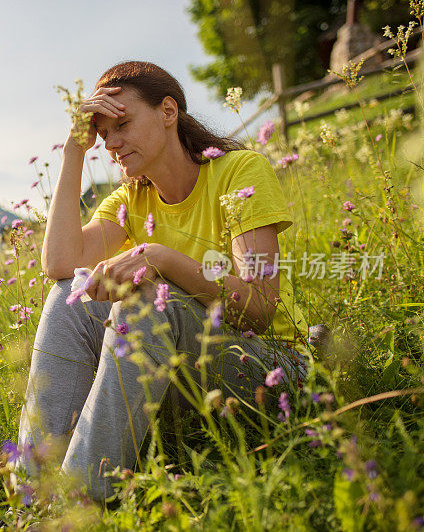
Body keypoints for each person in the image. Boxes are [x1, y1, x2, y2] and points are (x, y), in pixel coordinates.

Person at [17, 61, 309, 501]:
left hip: (269, 370)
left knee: (149, 300)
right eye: (103, 134)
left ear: (168, 112)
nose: (111, 144)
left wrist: (160, 258)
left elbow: (261, 307)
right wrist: (74, 150)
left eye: (122, 124)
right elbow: (59, 263)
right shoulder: (132, 199)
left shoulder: (240, 173)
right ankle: (33, 491)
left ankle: (78, 505)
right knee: (69, 295)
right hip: (189, 375)